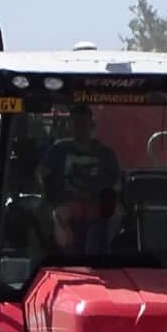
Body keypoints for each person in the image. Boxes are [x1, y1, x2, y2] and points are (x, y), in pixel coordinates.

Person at [38, 104, 124, 250]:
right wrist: (47, 187)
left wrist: (109, 192)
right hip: (67, 201)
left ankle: (103, 248)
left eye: (84, 123)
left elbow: (117, 181)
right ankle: (66, 252)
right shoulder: (57, 150)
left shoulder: (105, 153)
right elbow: (41, 173)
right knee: (57, 216)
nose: (80, 127)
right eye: (76, 123)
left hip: (97, 202)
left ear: (92, 125)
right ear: (70, 126)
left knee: (116, 215)